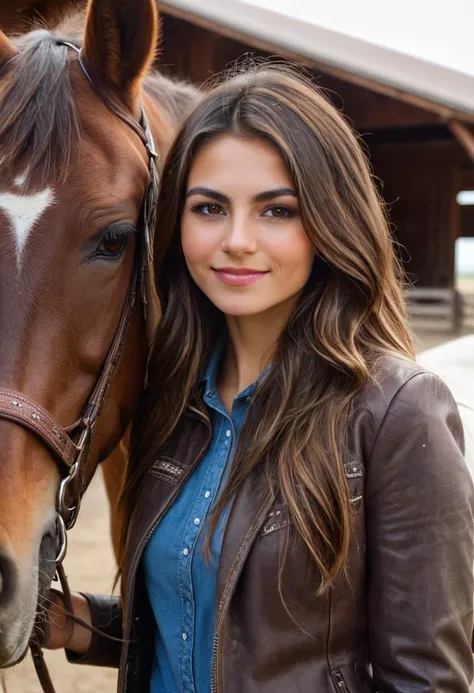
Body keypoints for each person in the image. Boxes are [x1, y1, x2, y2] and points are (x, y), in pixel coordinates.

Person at [44, 63, 474, 693]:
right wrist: (82, 626)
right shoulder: (171, 403)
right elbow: (195, 625)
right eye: (210, 207)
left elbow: (428, 680)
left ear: (330, 222)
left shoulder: (397, 413)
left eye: (277, 211)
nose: (236, 240)